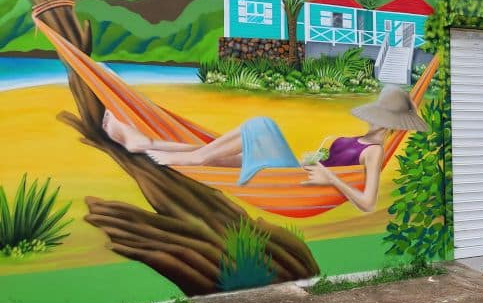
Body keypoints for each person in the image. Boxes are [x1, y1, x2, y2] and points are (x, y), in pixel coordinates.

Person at [102, 85, 429, 212]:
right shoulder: (355, 139)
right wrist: (315, 158)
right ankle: (147, 143)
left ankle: (190, 155)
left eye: (378, 115)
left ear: (388, 122)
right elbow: (323, 162)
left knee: (261, 125)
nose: (371, 118)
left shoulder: (375, 152)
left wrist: (330, 179)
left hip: (297, 187)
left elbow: (368, 204)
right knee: (223, 156)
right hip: (292, 173)